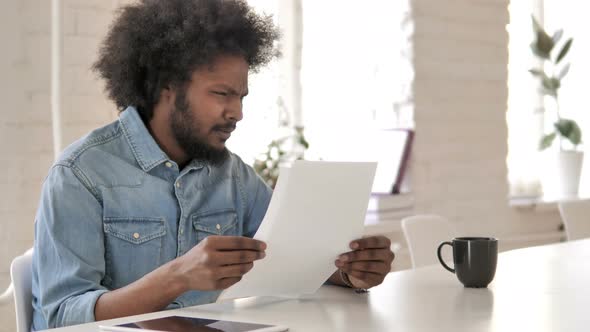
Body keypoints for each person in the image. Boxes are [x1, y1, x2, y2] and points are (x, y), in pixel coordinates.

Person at [31, 0, 395, 329]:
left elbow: (290, 259)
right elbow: (63, 315)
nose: (237, 113)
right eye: (222, 94)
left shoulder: (233, 176)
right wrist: (177, 277)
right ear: (166, 86)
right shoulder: (81, 175)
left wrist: (351, 271)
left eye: (240, 97)